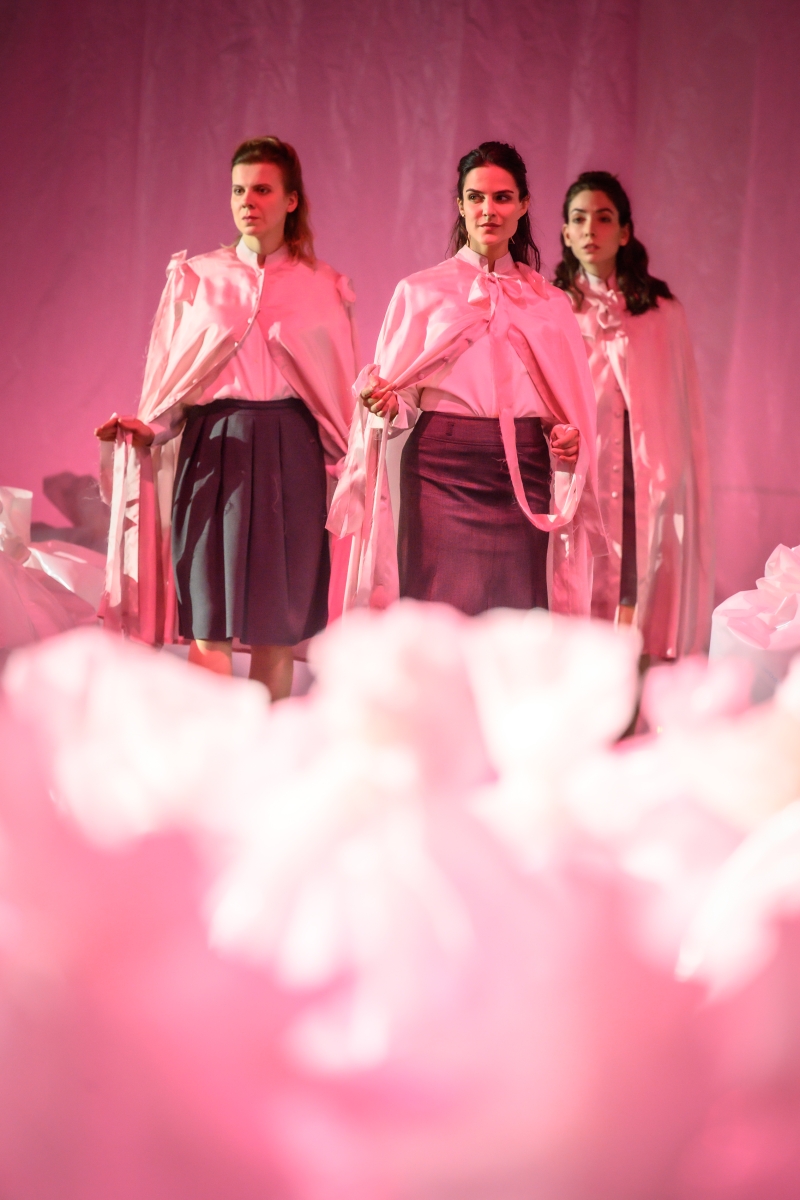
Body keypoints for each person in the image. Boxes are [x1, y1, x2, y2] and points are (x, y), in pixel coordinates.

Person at [96, 137, 357, 698]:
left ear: (291, 200)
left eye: (262, 189)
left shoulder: (321, 285)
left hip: (292, 451)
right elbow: (169, 375)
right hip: (214, 446)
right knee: (208, 610)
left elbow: (338, 388)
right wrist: (148, 426)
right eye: (239, 190)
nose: (247, 202)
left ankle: (269, 740)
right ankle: (212, 741)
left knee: (277, 622)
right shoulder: (197, 278)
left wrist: (355, 459)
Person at [327, 142, 603, 618]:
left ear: (523, 205)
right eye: (476, 197)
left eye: (502, 197)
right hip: (440, 471)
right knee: (440, 620)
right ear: (460, 205)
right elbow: (403, 396)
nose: (488, 210)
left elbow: (567, 408)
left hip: (524, 471)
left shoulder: (550, 304)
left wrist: (565, 437)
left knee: (513, 623)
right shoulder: (420, 291)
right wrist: (387, 404)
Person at [555, 171, 712, 658]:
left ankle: (643, 667)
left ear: (624, 232)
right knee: (580, 569)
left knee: (642, 567)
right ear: (565, 233)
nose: (590, 230)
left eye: (604, 218)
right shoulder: (551, 308)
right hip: (582, 465)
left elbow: (678, 406)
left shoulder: (660, 311)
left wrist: (671, 471)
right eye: (579, 219)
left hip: (644, 470)